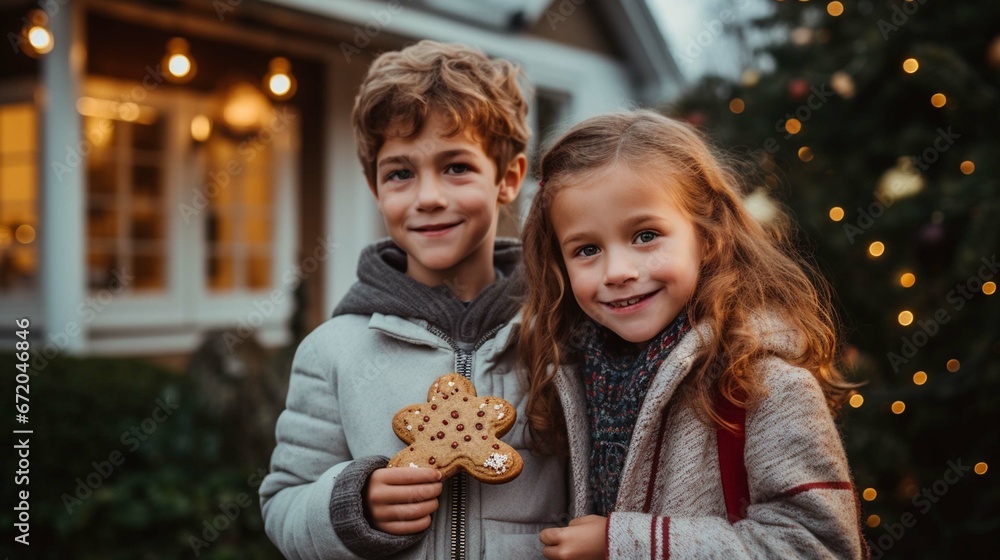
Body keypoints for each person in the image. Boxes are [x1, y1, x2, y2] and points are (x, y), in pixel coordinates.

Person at [260, 40, 568, 559]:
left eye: (456, 167)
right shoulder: (333, 352)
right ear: (375, 187)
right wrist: (352, 505)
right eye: (400, 173)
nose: (428, 196)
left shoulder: (561, 331)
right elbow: (282, 504)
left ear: (508, 178)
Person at [520, 110, 868, 559]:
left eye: (646, 235)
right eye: (587, 249)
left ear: (707, 237)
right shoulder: (566, 374)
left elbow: (820, 546)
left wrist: (623, 544)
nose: (619, 272)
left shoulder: (762, 382)